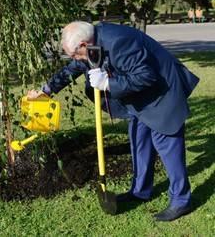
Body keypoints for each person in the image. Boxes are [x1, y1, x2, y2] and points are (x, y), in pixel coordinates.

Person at [28, 21, 199, 221]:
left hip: (162, 93)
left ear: (83, 45)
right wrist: (46, 91)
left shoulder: (118, 42)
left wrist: (108, 83)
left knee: (167, 144)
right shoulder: (92, 40)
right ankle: (140, 191)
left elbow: (146, 76)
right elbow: (74, 67)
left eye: (74, 54)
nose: (74, 59)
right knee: (139, 140)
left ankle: (181, 200)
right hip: (140, 98)